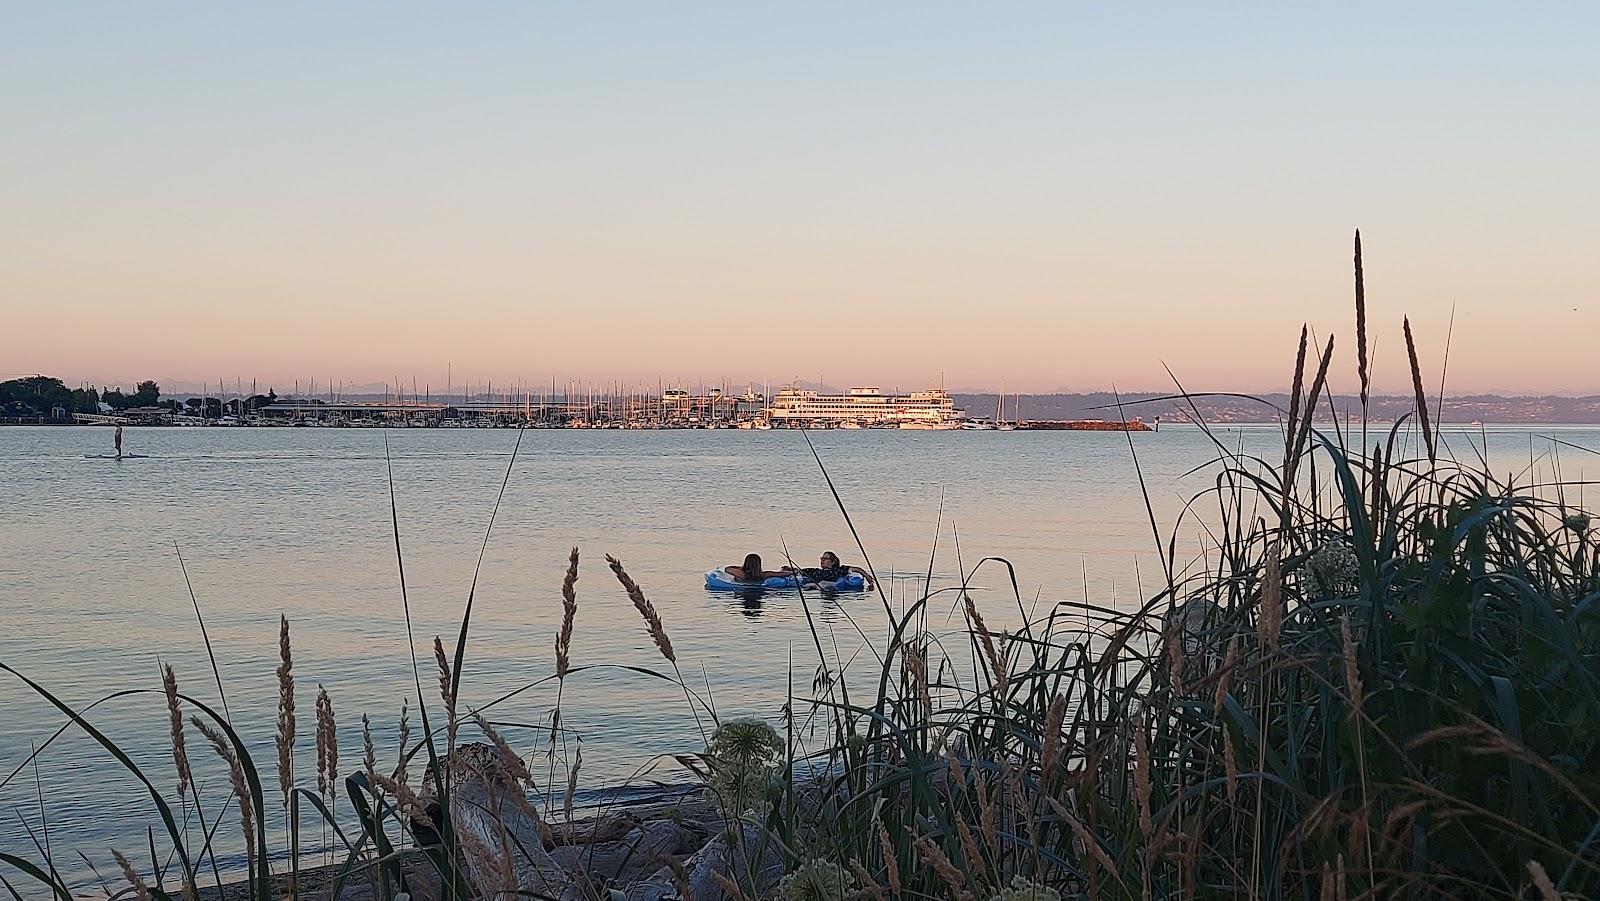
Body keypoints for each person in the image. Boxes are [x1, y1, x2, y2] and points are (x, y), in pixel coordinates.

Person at [786, 551, 875, 589]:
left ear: (833, 562)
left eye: (825, 559)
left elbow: (857, 569)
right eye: (821, 558)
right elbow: (797, 571)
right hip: (812, 586)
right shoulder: (814, 571)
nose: (822, 560)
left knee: (823, 584)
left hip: (828, 586)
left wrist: (867, 577)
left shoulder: (839, 570)